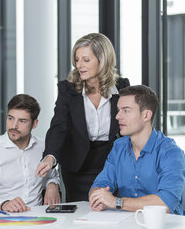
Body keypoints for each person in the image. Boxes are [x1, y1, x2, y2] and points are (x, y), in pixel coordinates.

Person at [35, 33, 130, 202]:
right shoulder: (68, 90)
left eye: (86, 60)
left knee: (111, 215)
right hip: (78, 166)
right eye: (77, 59)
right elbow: (59, 127)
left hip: (112, 164)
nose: (79, 65)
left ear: (103, 60)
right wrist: (50, 156)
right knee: (80, 217)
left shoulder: (122, 88)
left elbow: (131, 125)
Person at [89, 85, 185, 215]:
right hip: (130, 226)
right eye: (119, 110)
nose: (117, 116)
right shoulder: (118, 147)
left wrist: (117, 202)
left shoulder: (171, 153)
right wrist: (99, 197)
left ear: (146, 115)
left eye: (126, 110)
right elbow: (100, 184)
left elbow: (165, 203)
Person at [0, 94, 60, 213]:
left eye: (22, 121)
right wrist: (4, 204)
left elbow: (52, 175)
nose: (14, 126)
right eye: (10, 118)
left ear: (34, 124)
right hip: (2, 220)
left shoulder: (44, 148)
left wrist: (52, 185)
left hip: (39, 220)